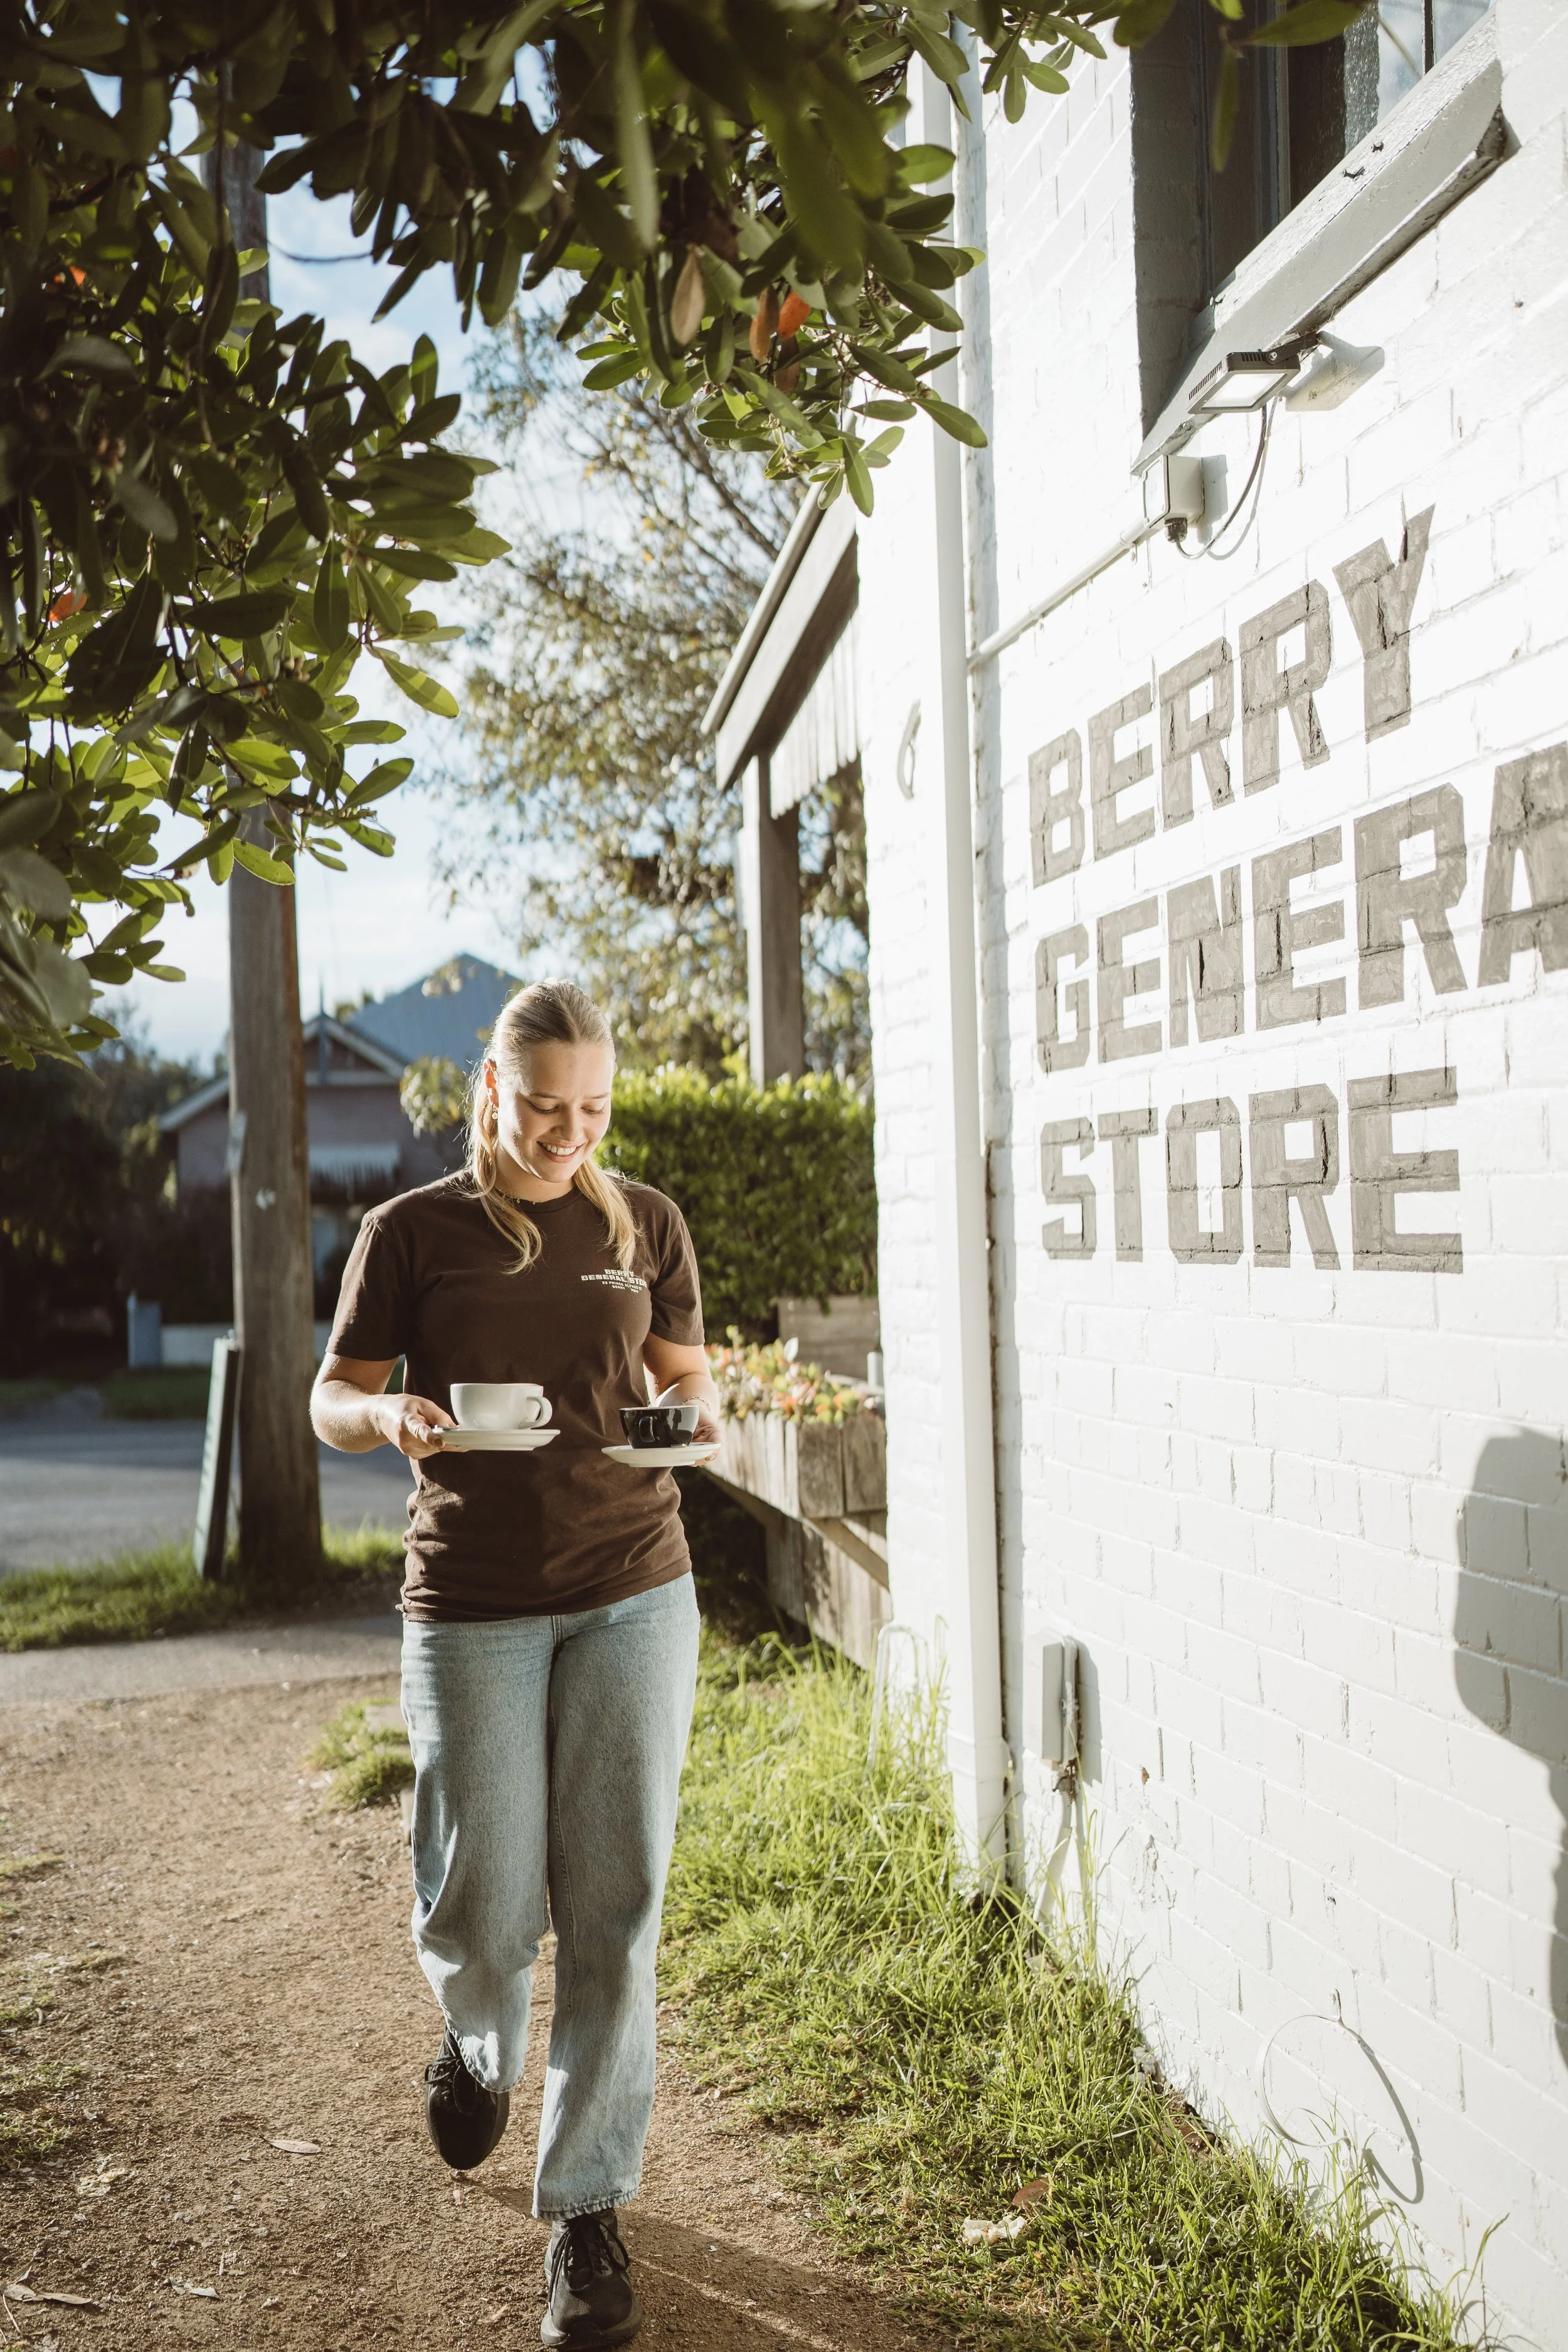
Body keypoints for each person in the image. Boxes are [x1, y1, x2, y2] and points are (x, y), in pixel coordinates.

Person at [310, 980, 718, 2351]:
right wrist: (389, 1413)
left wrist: (688, 1422)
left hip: (632, 1591)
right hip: (472, 1598)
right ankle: (475, 2040)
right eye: (544, 1107)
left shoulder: (639, 1220)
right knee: (485, 1898)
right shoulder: (409, 1232)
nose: (567, 1134)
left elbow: (684, 1378)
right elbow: (331, 1396)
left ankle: (585, 2213)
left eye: (592, 1110)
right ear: (490, 1088)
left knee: (616, 1902)